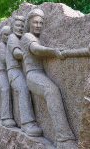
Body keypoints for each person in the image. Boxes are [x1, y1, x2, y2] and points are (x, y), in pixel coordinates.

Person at [21, 8, 77, 148]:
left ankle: (63, 137)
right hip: (32, 75)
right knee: (51, 91)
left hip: (40, 73)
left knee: (54, 90)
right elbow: (36, 50)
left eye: (41, 22)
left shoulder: (38, 38)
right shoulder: (27, 37)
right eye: (35, 22)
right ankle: (63, 138)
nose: (38, 25)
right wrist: (53, 51)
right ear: (29, 23)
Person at [6, 15, 42, 136]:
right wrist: (29, 52)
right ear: (12, 27)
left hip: (21, 71)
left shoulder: (22, 39)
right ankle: (27, 123)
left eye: (22, 26)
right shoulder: (12, 38)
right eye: (17, 25)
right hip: (14, 71)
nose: (20, 28)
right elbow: (16, 54)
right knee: (23, 89)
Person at [0, 26, 16, 127]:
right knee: (5, 89)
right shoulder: (1, 45)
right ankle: (5, 117)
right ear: (1, 36)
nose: (8, 37)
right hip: (2, 73)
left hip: (7, 72)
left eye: (9, 35)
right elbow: (4, 59)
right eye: (5, 35)